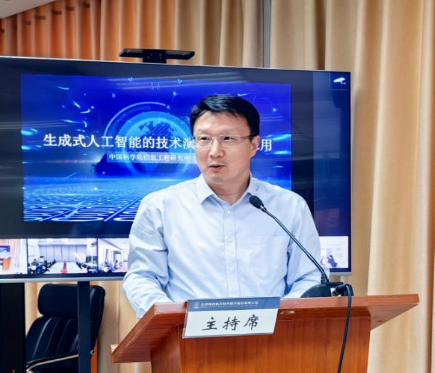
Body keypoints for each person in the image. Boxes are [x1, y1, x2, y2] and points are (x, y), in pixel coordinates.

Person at [123, 94, 322, 318]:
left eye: (227, 138)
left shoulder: (289, 206)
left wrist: (279, 318)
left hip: (272, 334)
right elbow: (142, 278)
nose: (214, 151)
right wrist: (172, 320)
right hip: (187, 334)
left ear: (254, 144)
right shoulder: (160, 207)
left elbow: (309, 277)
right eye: (204, 139)